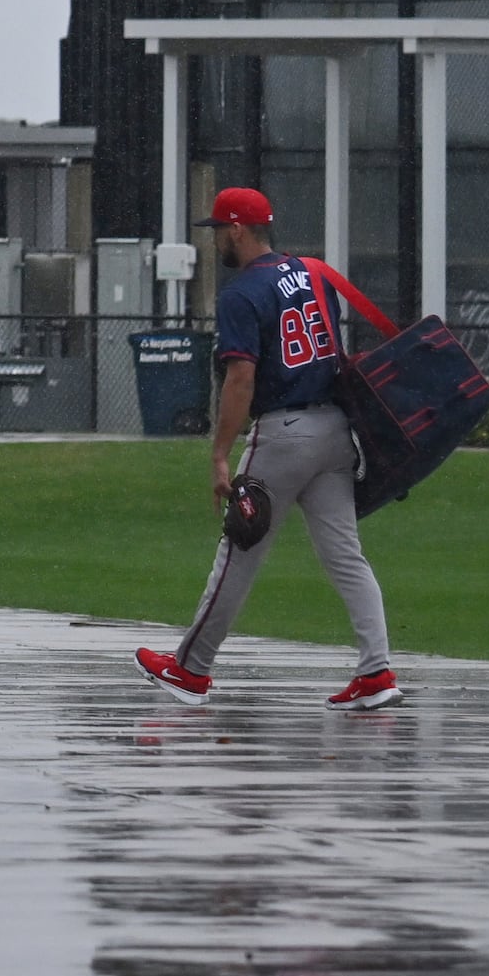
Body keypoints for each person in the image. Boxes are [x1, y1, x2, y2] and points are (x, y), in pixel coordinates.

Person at [138, 186, 403, 709]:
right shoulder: (312, 271)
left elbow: (241, 378)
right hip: (334, 429)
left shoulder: (241, 294)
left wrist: (219, 452)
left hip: (284, 433)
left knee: (239, 547)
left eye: (218, 230)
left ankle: (190, 669)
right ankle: (376, 672)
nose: (216, 240)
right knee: (347, 557)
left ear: (237, 229)